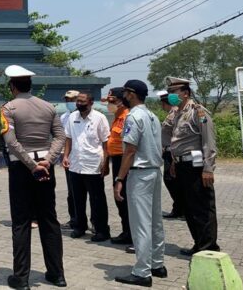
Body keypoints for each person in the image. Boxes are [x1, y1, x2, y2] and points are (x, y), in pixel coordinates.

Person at [0, 65, 67, 289]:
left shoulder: (8, 109)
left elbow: (10, 141)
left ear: (12, 87)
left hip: (22, 169)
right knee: (49, 219)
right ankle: (57, 274)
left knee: (21, 222)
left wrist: (32, 165)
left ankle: (21, 278)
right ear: (30, 85)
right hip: (46, 168)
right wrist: (48, 160)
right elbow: (60, 135)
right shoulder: (48, 107)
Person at [114, 80, 166, 287]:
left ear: (132, 94)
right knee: (155, 222)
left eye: (124, 93)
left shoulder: (133, 116)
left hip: (140, 173)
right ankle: (157, 264)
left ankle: (142, 272)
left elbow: (130, 150)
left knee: (140, 224)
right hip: (154, 171)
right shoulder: (152, 115)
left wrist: (119, 178)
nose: (122, 97)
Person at [164, 77, 220, 256]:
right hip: (181, 165)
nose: (171, 95)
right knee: (188, 207)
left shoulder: (198, 112)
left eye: (174, 91)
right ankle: (199, 243)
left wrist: (208, 168)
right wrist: (173, 161)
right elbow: (175, 140)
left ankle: (209, 247)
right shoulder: (176, 113)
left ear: (185, 93)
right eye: (170, 92)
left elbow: (208, 141)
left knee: (202, 207)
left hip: (196, 166)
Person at [63, 92, 111, 242]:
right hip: (76, 165)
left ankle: (101, 230)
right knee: (78, 199)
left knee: (97, 200)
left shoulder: (99, 118)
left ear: (90, 102)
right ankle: (79, 226)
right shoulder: (72, 117)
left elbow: (106, 142)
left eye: (82, 101)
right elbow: (68, 138)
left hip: (93, 165)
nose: (79, 103)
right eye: (78, 101)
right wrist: (65, 156)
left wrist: (105, 162)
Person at [105, 87, 133, 245]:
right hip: (115, 160)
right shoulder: (117, 116)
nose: (109, 104)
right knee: (120, 200)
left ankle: (131, 233)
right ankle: (126, 231)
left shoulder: (127, 116)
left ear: (122, 101)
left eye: (112, 100)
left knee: (124, 197)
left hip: (124, 161)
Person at [157, 90, 185, 220]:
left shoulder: (175, 113)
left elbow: (177, 134)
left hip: (173, 152)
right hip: (167, 151)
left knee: (172, 180)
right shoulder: (171, 113)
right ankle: (178, 208)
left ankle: (183, 208)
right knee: (171, 180)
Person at [60, 90, 80, 229]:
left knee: (90, 192)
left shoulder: (91, 115)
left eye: (72, 100)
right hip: (70, 158)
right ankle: (74, 219)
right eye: (67, 100)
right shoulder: (64, 117)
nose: (69, 103)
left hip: (86, 159)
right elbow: (63, 138)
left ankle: (93, 221)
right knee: (71, 191)